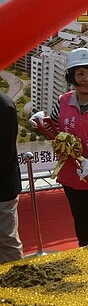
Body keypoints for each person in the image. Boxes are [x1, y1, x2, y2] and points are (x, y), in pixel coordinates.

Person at [29, 47, 88, 247]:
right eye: (80, 73)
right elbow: (54, 130)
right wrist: (40, 123)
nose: (87, 78)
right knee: (84, 227)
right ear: (71, 77)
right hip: (73, 179)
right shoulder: (62, 102)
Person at [0, 91, 23, 262]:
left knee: (6, 240)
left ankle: (15, 285)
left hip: (2, 189)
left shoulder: (4, 106)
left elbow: (3, 155)